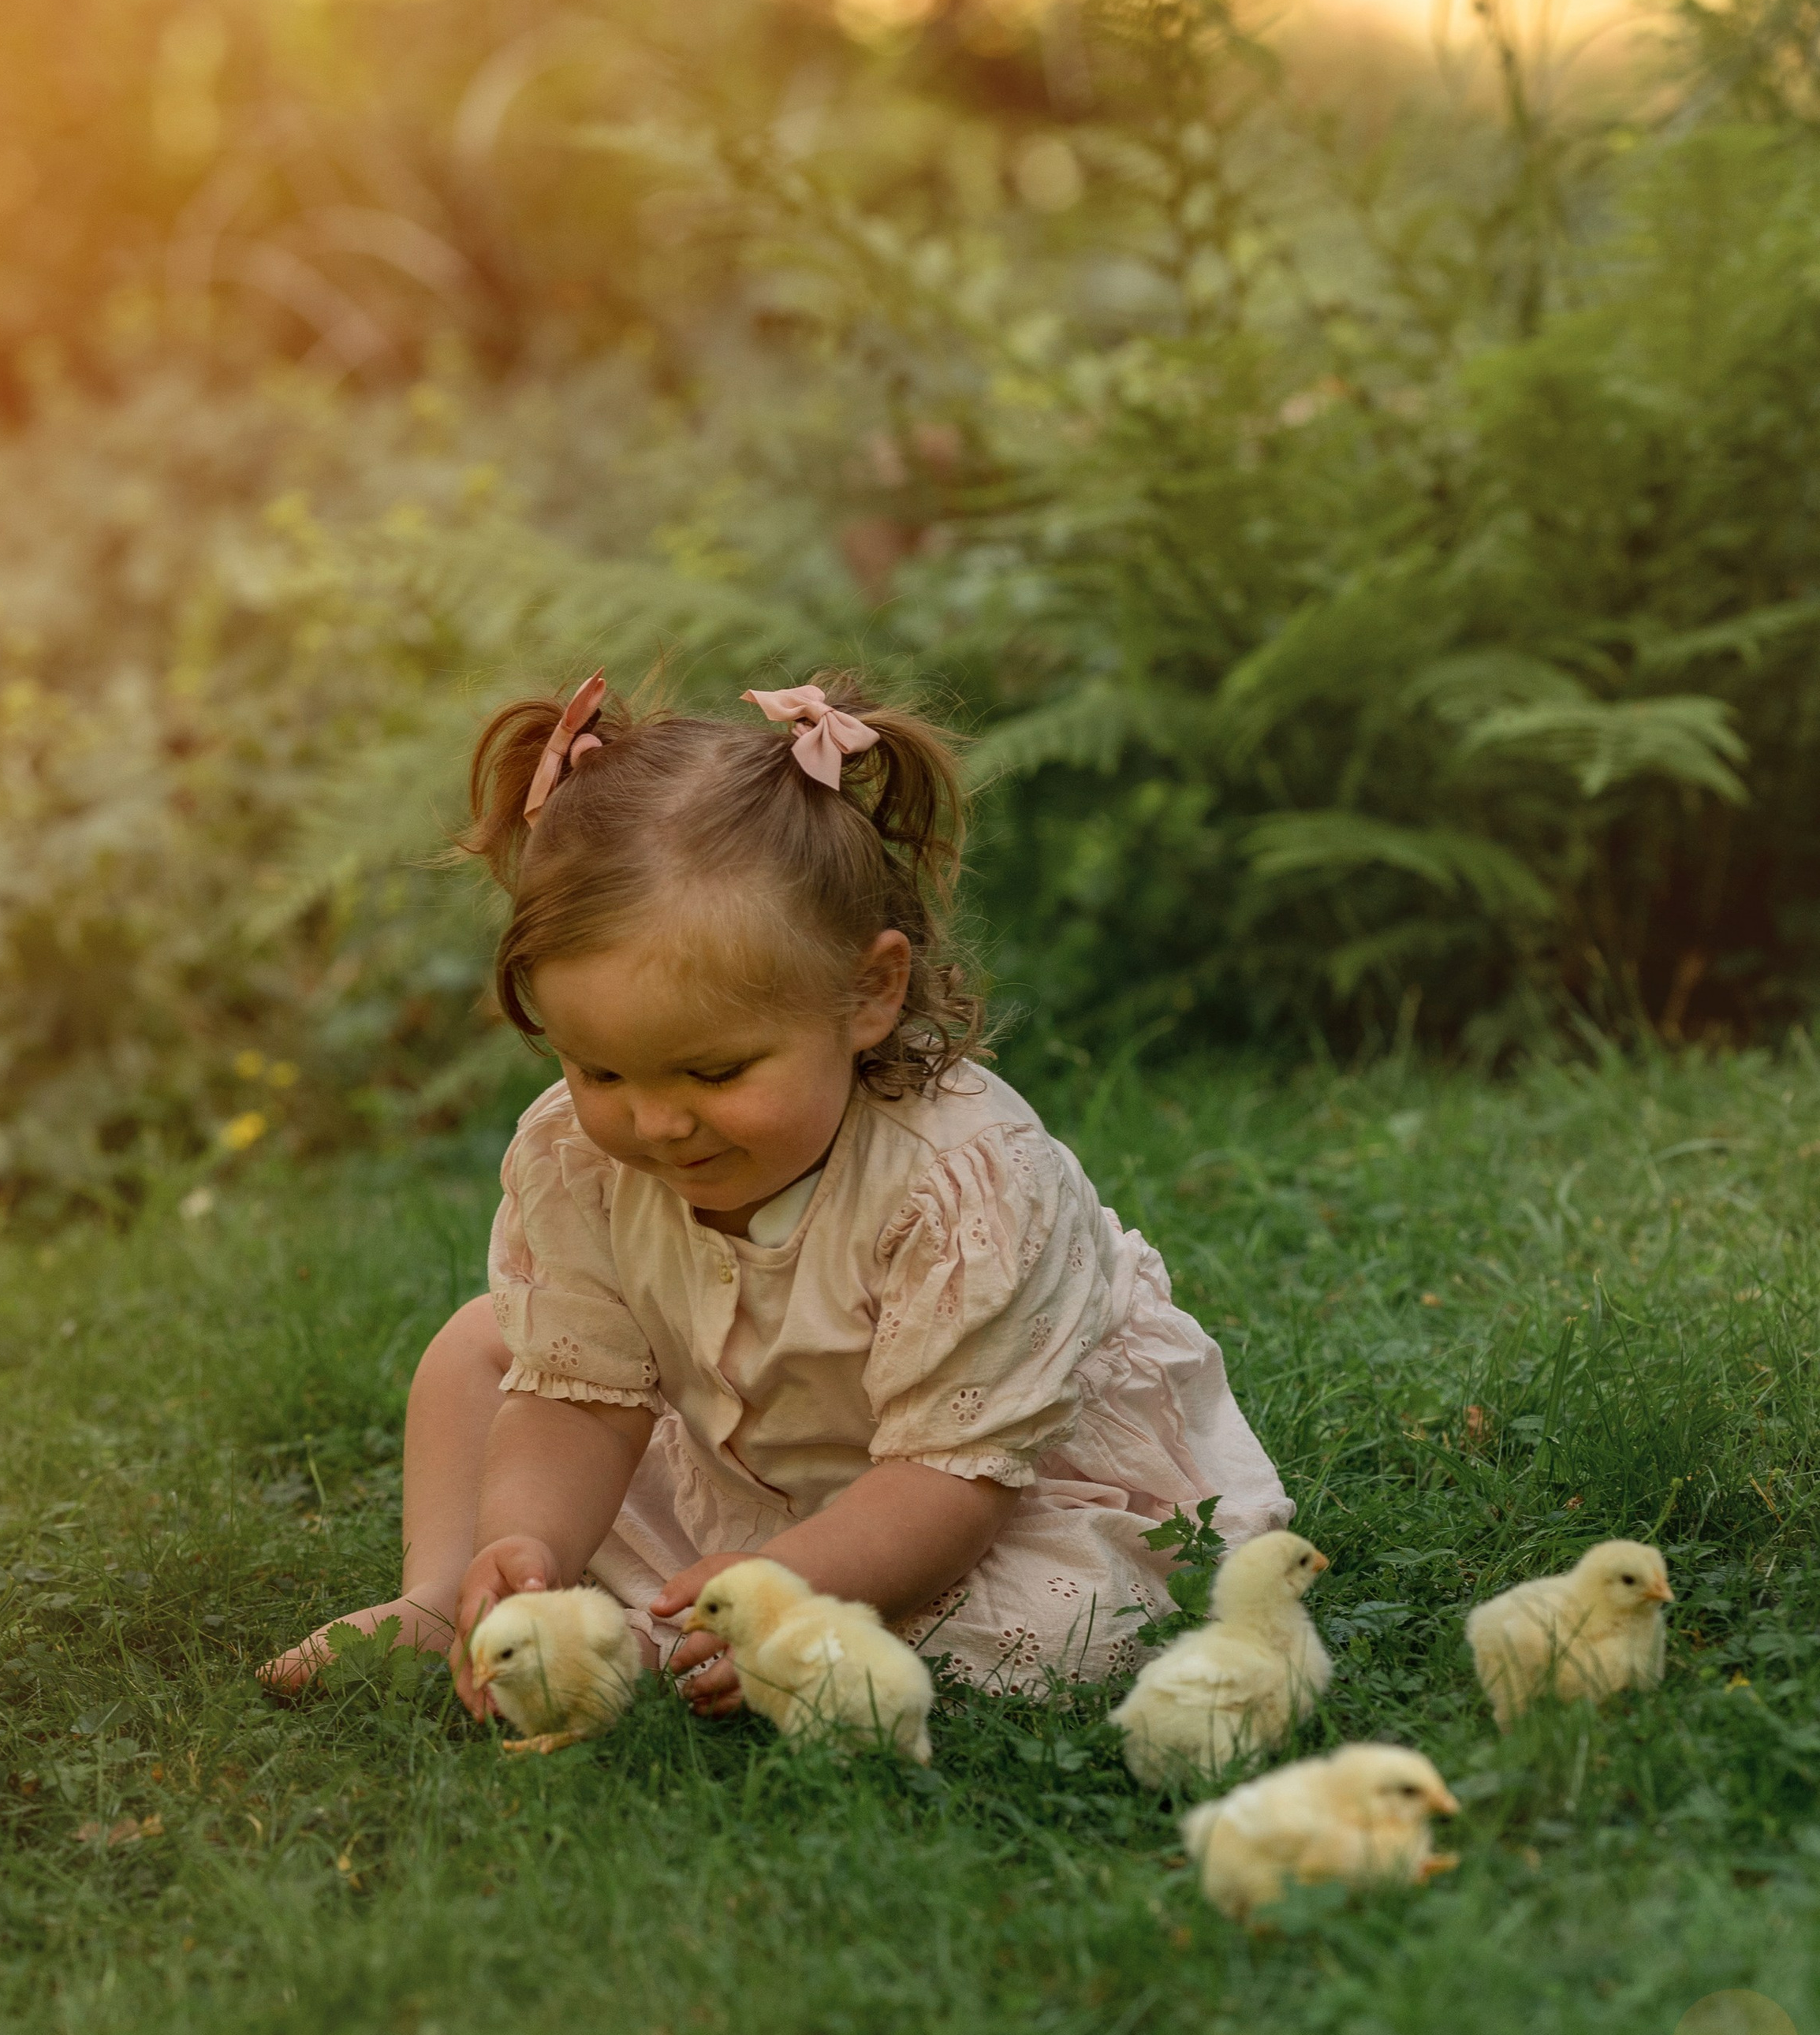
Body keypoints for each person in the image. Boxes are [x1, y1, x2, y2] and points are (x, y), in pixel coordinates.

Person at [263, 673, 1289, 1714]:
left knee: (1061, 1624)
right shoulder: (581, 1157)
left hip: (980, 1475)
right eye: (602, 1072)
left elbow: (954, 1479)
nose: (655, 1123)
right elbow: (579, 1396)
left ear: (868, 994)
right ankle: (450, 1599)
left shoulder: (960, 1183)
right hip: (748, 1441)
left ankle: (729, 1629)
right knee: (481, 1350)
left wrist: (788, 1590)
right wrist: (527, 1536)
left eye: (714, 1074)